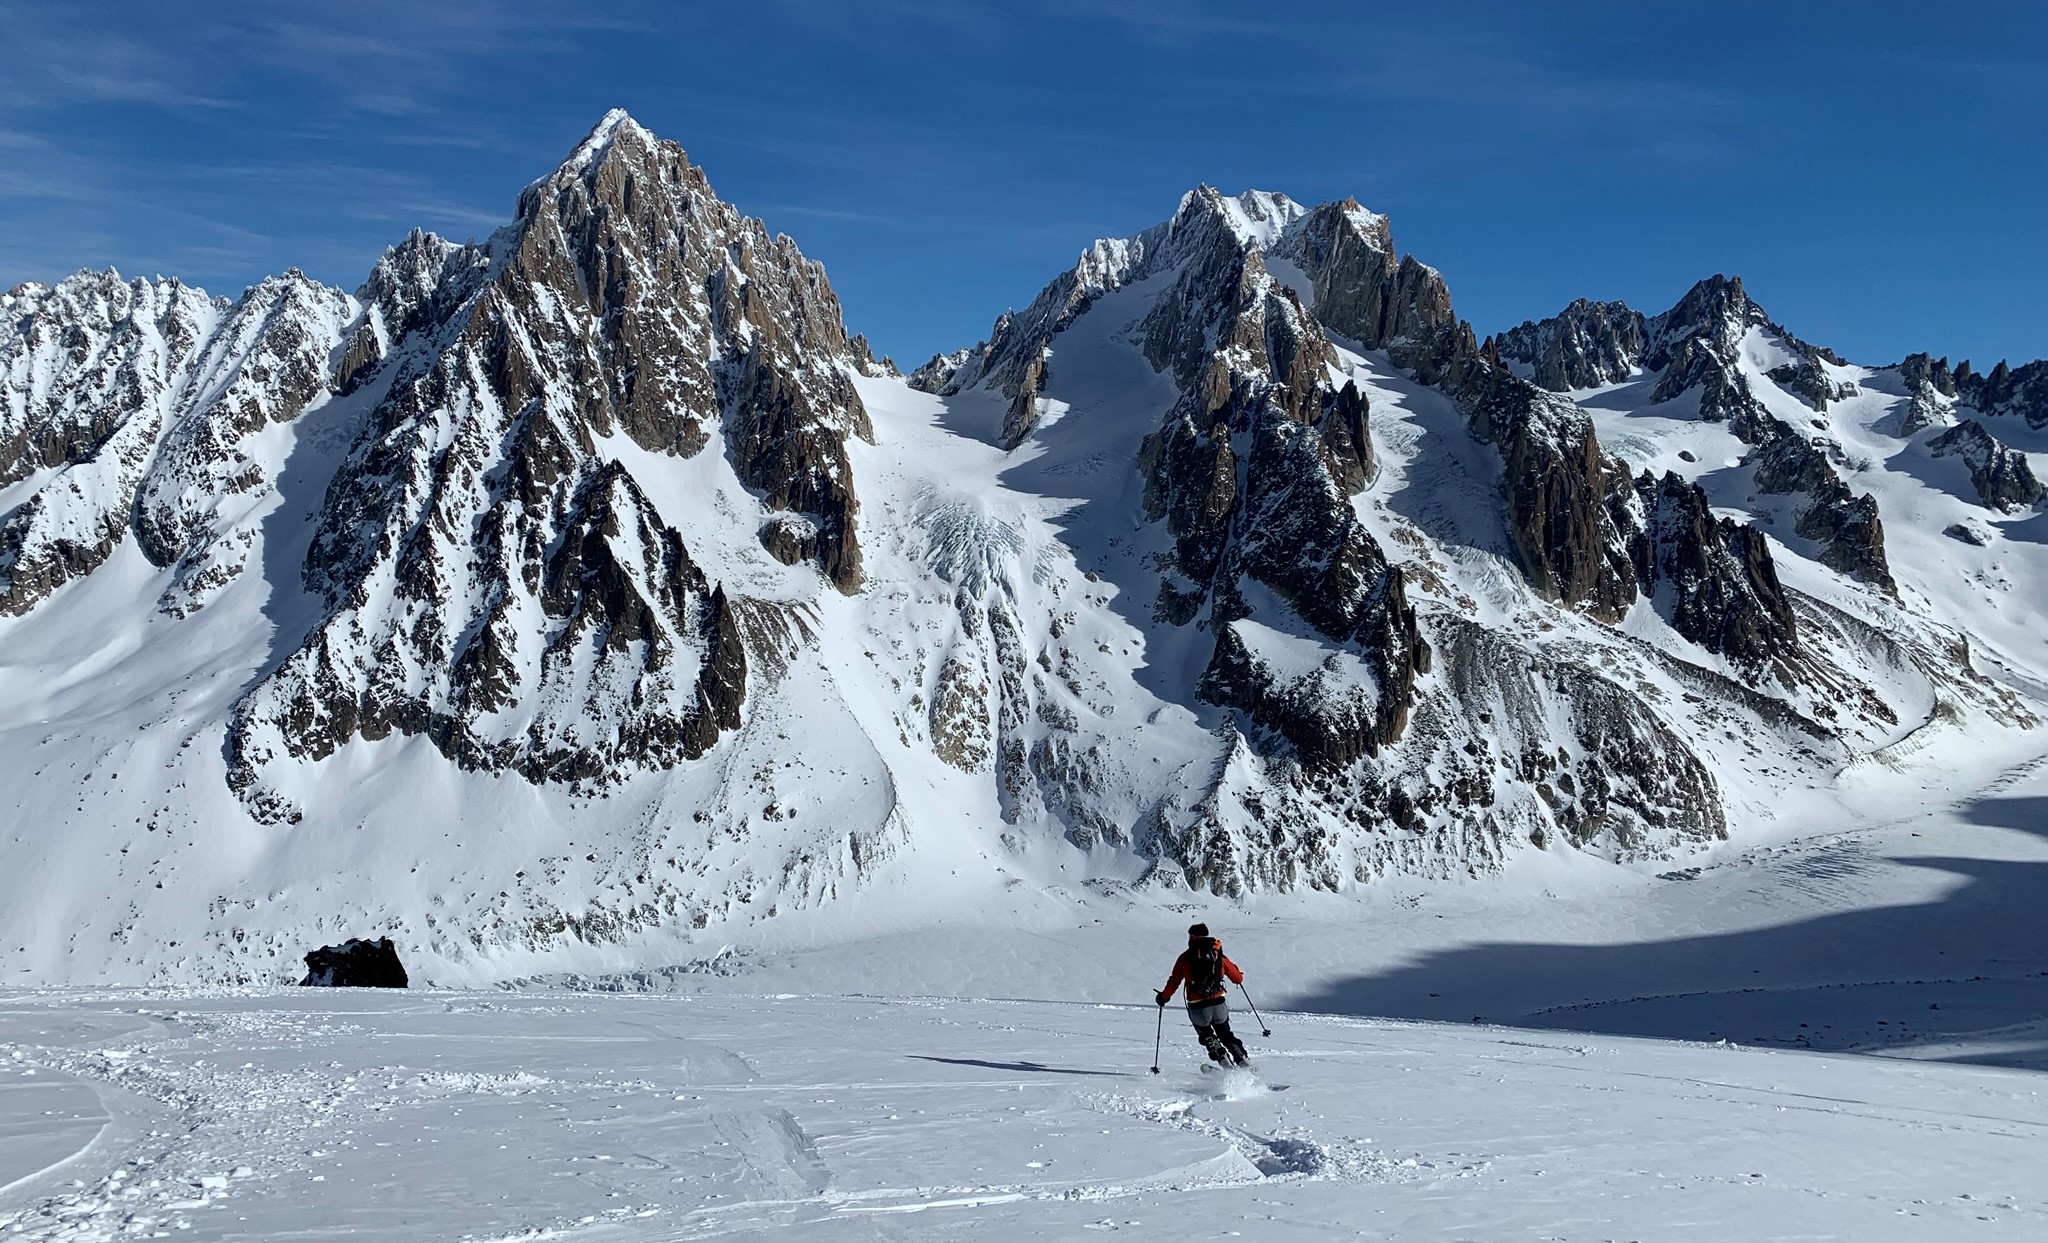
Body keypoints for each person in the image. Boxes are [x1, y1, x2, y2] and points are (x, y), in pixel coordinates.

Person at [1155, 923, 1250, 1066]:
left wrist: (1163, 997)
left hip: (1197, 1007)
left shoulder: (1185, 958)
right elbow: (1237, 978)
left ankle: (1221, 1058)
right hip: (1219, 1005)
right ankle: (1241, 1058)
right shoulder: (1218, 956)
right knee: (1225, 1035)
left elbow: (1174, 980)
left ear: (1192, 937)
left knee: (1207, 1036)